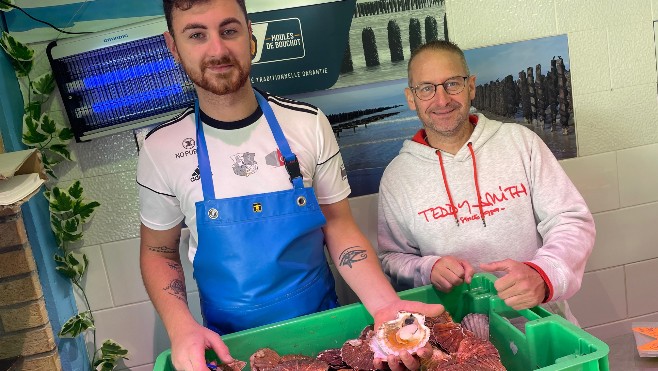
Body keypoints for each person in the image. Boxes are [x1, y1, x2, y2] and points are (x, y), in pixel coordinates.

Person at [136, 1, 443, 370]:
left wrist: (384, 304)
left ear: (250, 34)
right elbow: (158, 250)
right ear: (173, 46)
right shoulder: (160, 150)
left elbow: (339, 224)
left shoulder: (308, 124)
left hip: (323, 334)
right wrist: (180, 327)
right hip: (229, 347)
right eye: (197, 35)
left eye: (229, 30)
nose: (217, 50)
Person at [377, 40, 595, 324]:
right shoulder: (397, 177)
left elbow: (571, 220)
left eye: (452, 83)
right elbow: (392, 257)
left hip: (539, 322)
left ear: (471, 87)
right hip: (455, 335)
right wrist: (427, 268)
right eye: (427, 88)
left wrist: (544, 274)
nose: (441, 100)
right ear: (411, 97)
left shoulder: (520, 142)